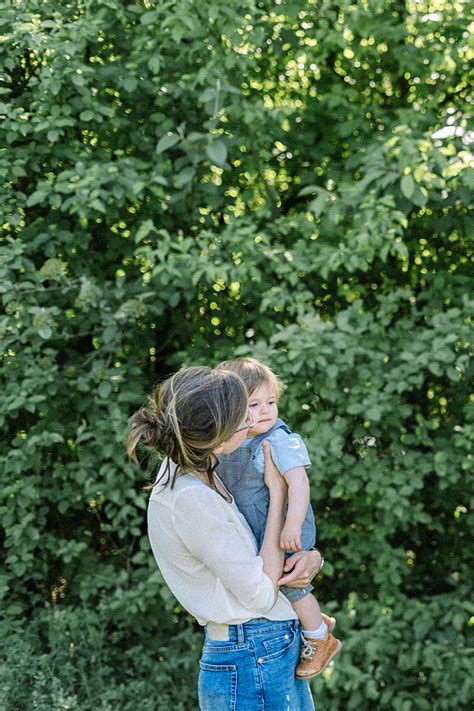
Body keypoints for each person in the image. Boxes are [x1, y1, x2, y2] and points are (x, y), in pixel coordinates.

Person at [127, 366, 320, 710]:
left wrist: (311, 557)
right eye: (241, 418)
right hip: (251, 653)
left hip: (267, 646)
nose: (251, 422)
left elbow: (256, 544)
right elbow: (260, 594)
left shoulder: (206, 467)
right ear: (217, 436)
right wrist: (277, 495)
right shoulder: (189, 499)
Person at [216, 358, 342, 679]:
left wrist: (292, 525)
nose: (267, 411)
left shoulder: (278, 439)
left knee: (291, 582)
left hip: (284, 530)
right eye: (255, 405)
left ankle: (319, 638)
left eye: (271, 402)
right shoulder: (231, 444)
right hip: (258, 530)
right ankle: (315, 621)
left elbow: (299, 482)